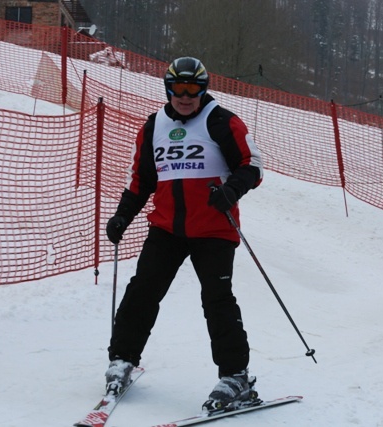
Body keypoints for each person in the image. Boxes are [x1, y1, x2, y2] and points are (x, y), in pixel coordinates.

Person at [104, 56, 263, 412]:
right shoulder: (153, 126)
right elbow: (141, 180)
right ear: (168, 88)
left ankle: (235, 376)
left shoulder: (222, 121)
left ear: (203, 89)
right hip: (167, 228)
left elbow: (252, 165)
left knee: (217, 299)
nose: (186, 96)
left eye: (193, 89)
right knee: (142, 291)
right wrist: (121, 217)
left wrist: (231, 191)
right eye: (179, 88)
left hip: (214, 229)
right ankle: (122, 359)